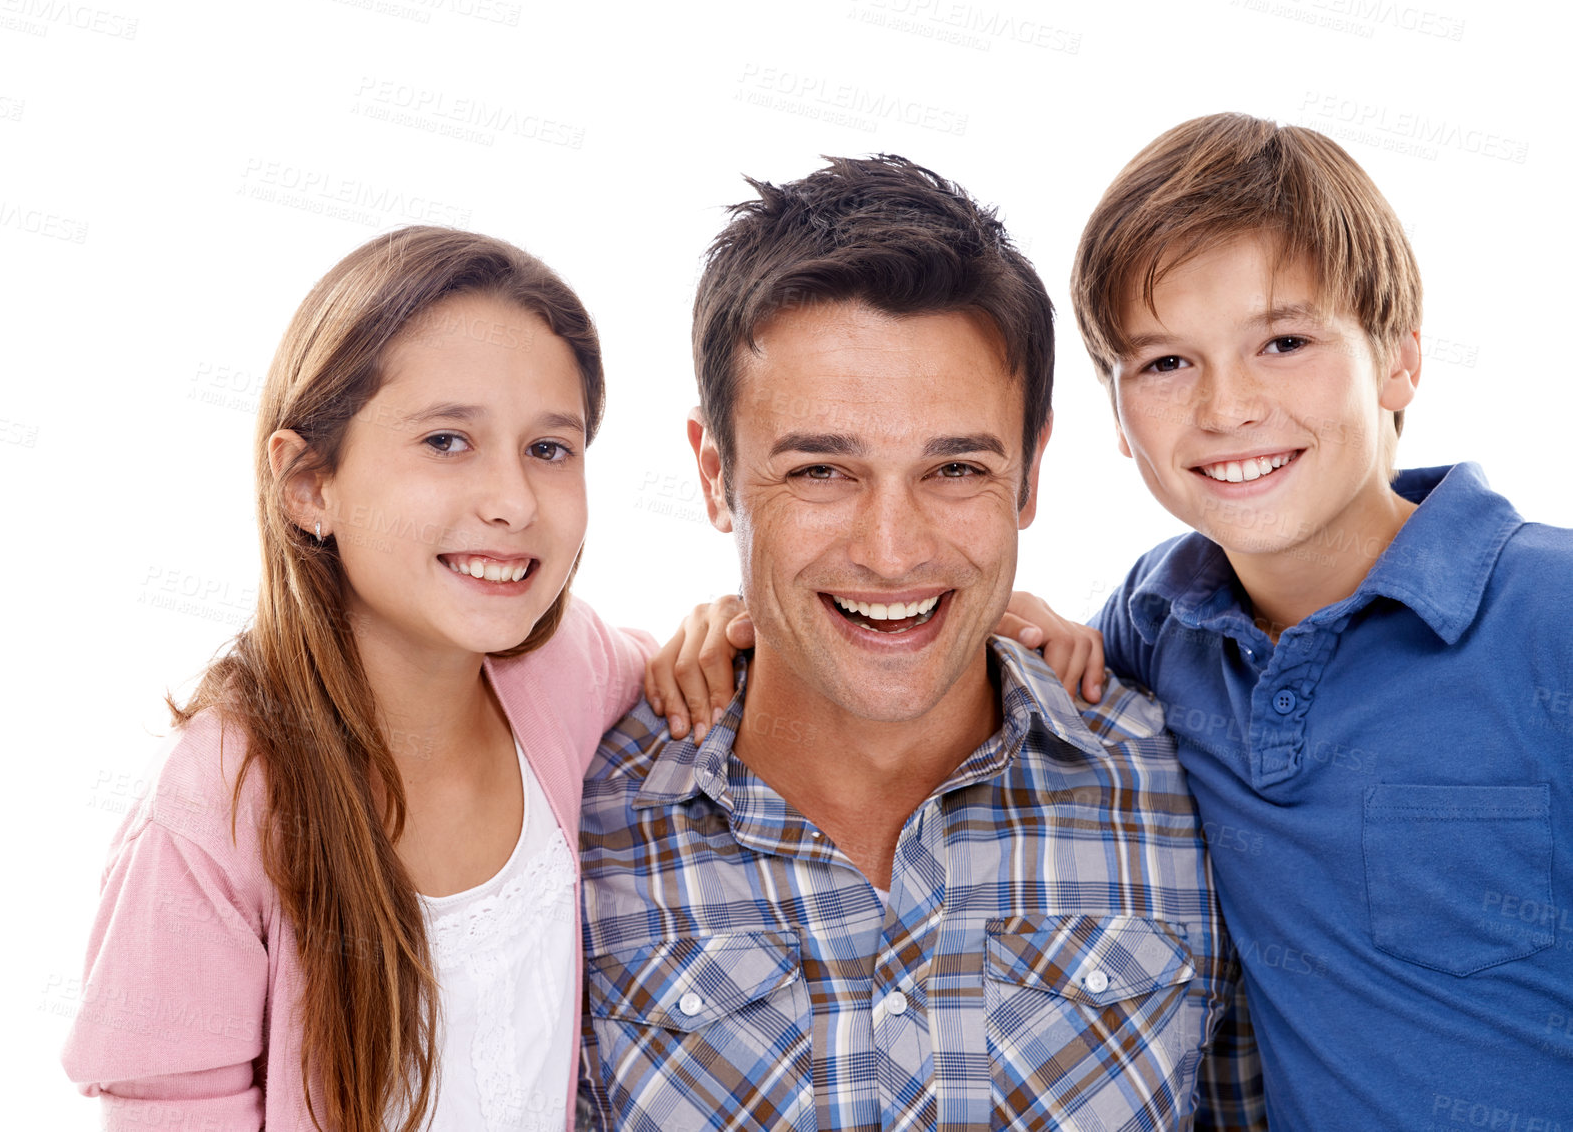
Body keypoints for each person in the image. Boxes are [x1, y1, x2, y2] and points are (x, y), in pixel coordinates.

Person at [577, 155, 1264, 1131]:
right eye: (821, 470)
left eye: (954, 468)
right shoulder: (584, 829)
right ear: (714, 470)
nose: (892, 550)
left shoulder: (1186, 790)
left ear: (1028, 475)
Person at [58, 226, 726, 1132]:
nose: (513, 500)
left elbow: (672, 668)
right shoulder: (221, 795)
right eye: (448, 440)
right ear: (308, 484)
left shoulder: (559, 672)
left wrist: (717, 626)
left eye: (550, 448)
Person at [998, 113, 1573, 1127]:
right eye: (1165, 362)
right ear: (1118, 417)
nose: (1226, 406)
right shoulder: (1156, 621)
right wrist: (739, 623)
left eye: (1284, 340)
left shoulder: (1549, 614)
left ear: (1397, 360)